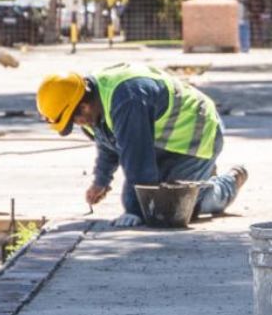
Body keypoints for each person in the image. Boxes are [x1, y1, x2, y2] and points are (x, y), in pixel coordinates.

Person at [36, 63, 248, 227]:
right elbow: (109, 143)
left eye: (74, 120)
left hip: (198, 136)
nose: (77, 125)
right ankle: (199, 178)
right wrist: (101, 181)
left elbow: (138, 158)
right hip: (163, 142)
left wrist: (134, 211)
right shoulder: (93, 103)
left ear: (83, 106)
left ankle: (225, 184)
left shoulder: (127, 100)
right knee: (157, 201)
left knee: (171, 210)